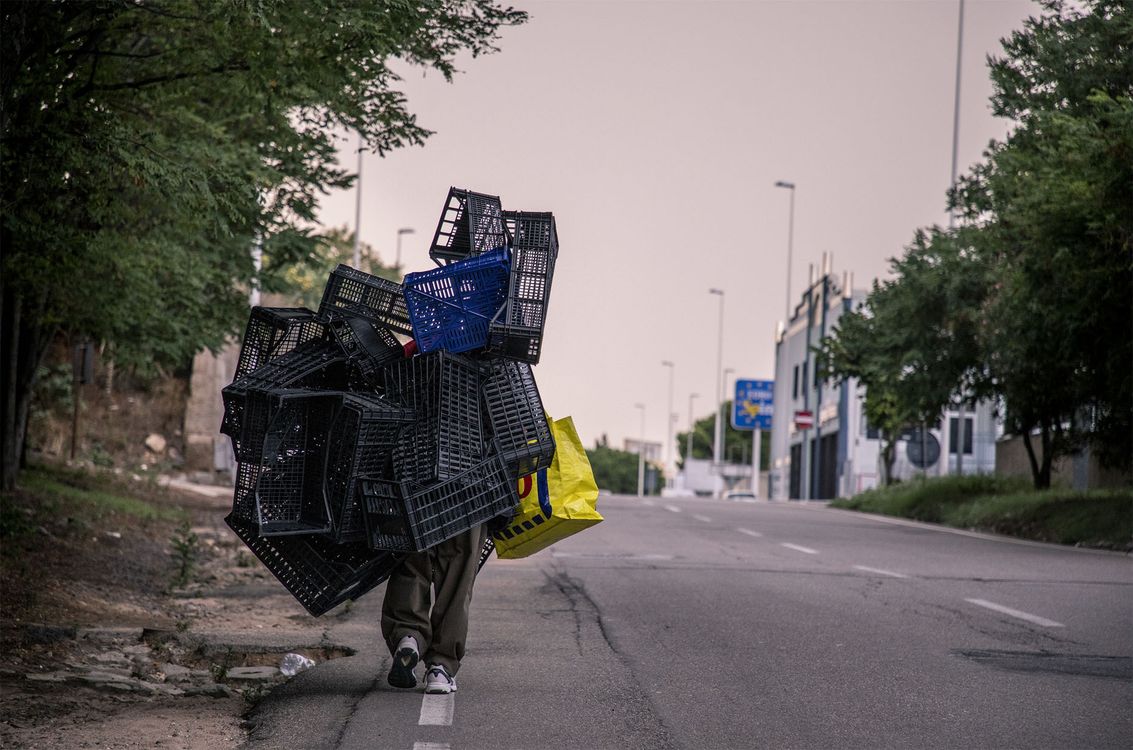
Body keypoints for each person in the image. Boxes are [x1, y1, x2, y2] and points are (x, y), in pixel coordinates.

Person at [381, 523, 490, 694]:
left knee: (412, 555)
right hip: (467, 499)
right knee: (459, 570)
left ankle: (408, 636)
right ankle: (441, 667)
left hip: (414, 497)